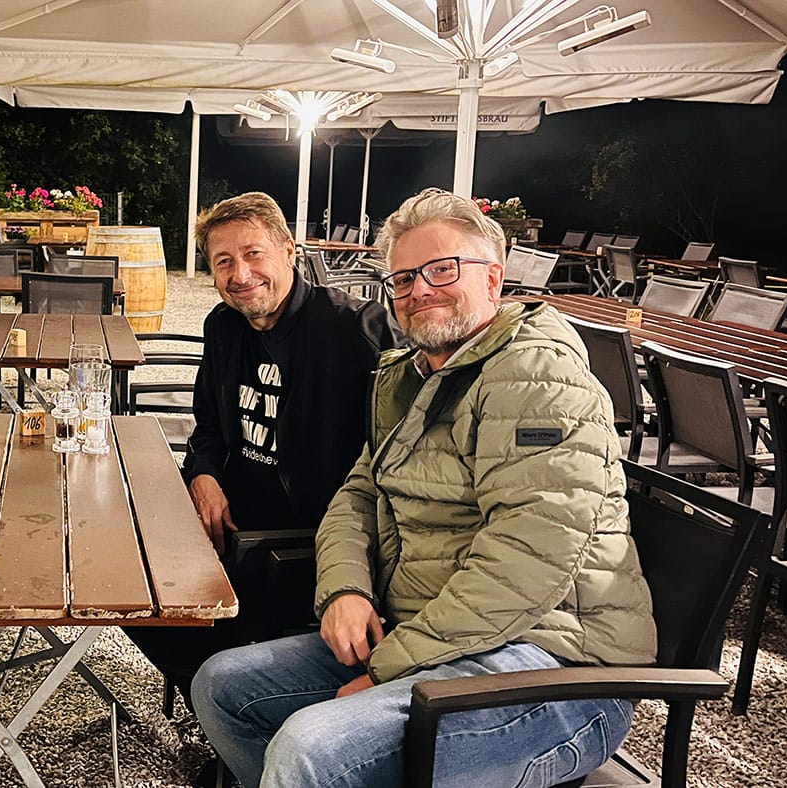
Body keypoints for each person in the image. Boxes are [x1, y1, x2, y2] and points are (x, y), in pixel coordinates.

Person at [191, 188, 658, 787]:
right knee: (222, 686)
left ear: (494, 277)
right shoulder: (408, 375)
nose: (420, 290)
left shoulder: (538, 379)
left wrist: (385, 670)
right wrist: (344, 591)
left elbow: (523, 569)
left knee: (309, 749)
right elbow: (356, 497)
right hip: (426, 636)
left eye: (442, 270)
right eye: (404, 278)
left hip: (552, 666)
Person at [126, 191, 400, 704]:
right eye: (223, 261)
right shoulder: (224, 326)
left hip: (304, 538)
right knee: (128, 571)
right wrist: (203, 474)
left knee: (175, 603)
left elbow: (400, 457)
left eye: (254, 254)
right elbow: (206, 422)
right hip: (233, 512)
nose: (240, 274)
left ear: (289, 252)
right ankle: (214, 694)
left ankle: (232, 699)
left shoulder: (357, 330)